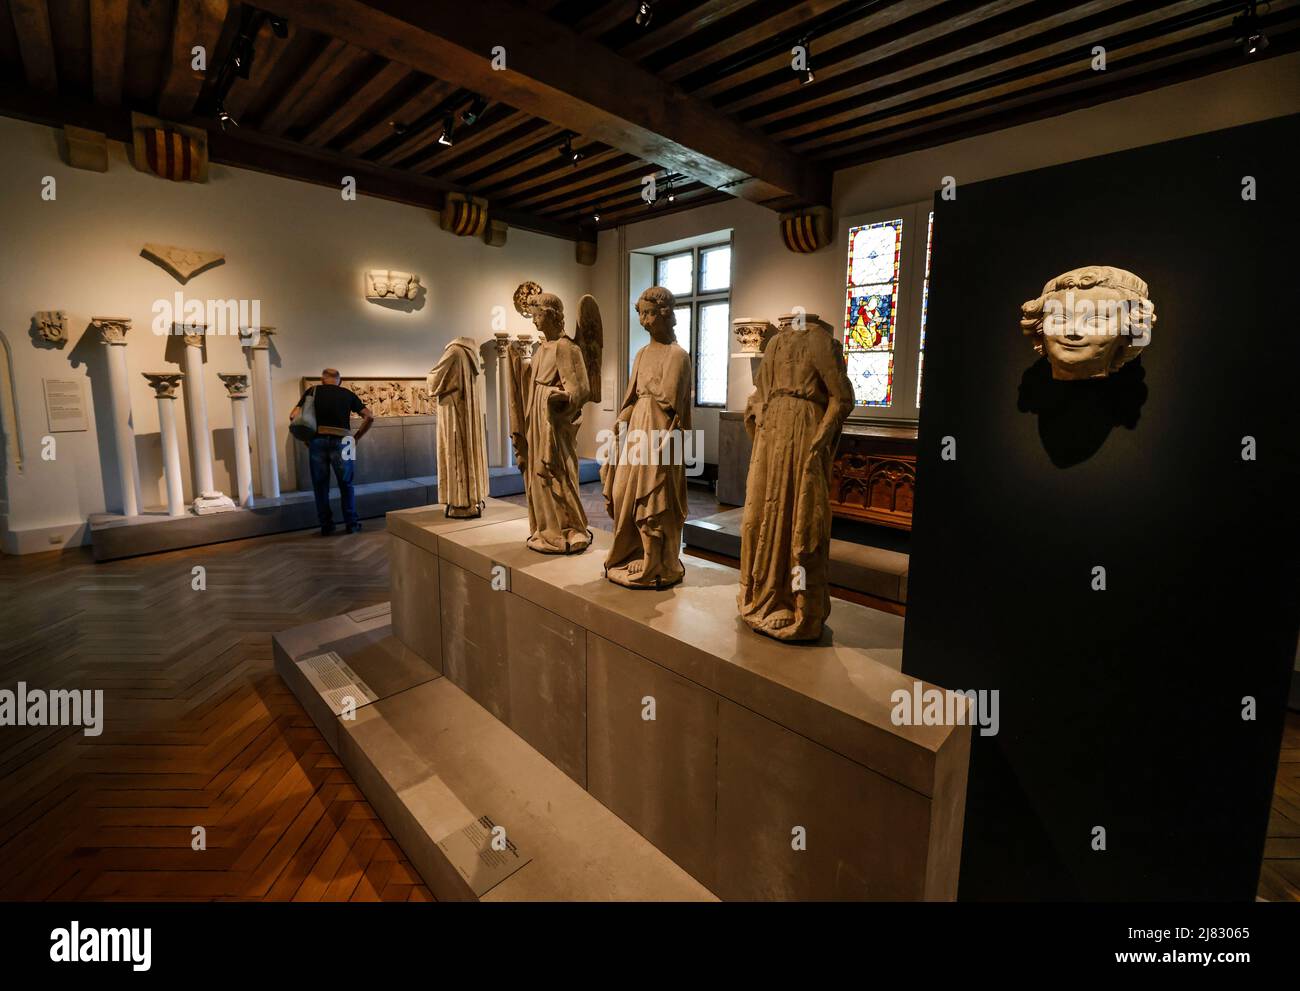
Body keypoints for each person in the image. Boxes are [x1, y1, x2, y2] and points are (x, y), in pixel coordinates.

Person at [290, 368, 374, 535]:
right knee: (347, 484)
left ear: (322, 380)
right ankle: (351, 524)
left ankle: (326, 526)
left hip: (317, 440)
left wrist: (307, 439)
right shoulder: (347, 394)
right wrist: (356, 437)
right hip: (345, 441)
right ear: (339, 380)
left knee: (320, 486)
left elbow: (293, 416)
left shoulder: (312, 391)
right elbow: (369, 416)